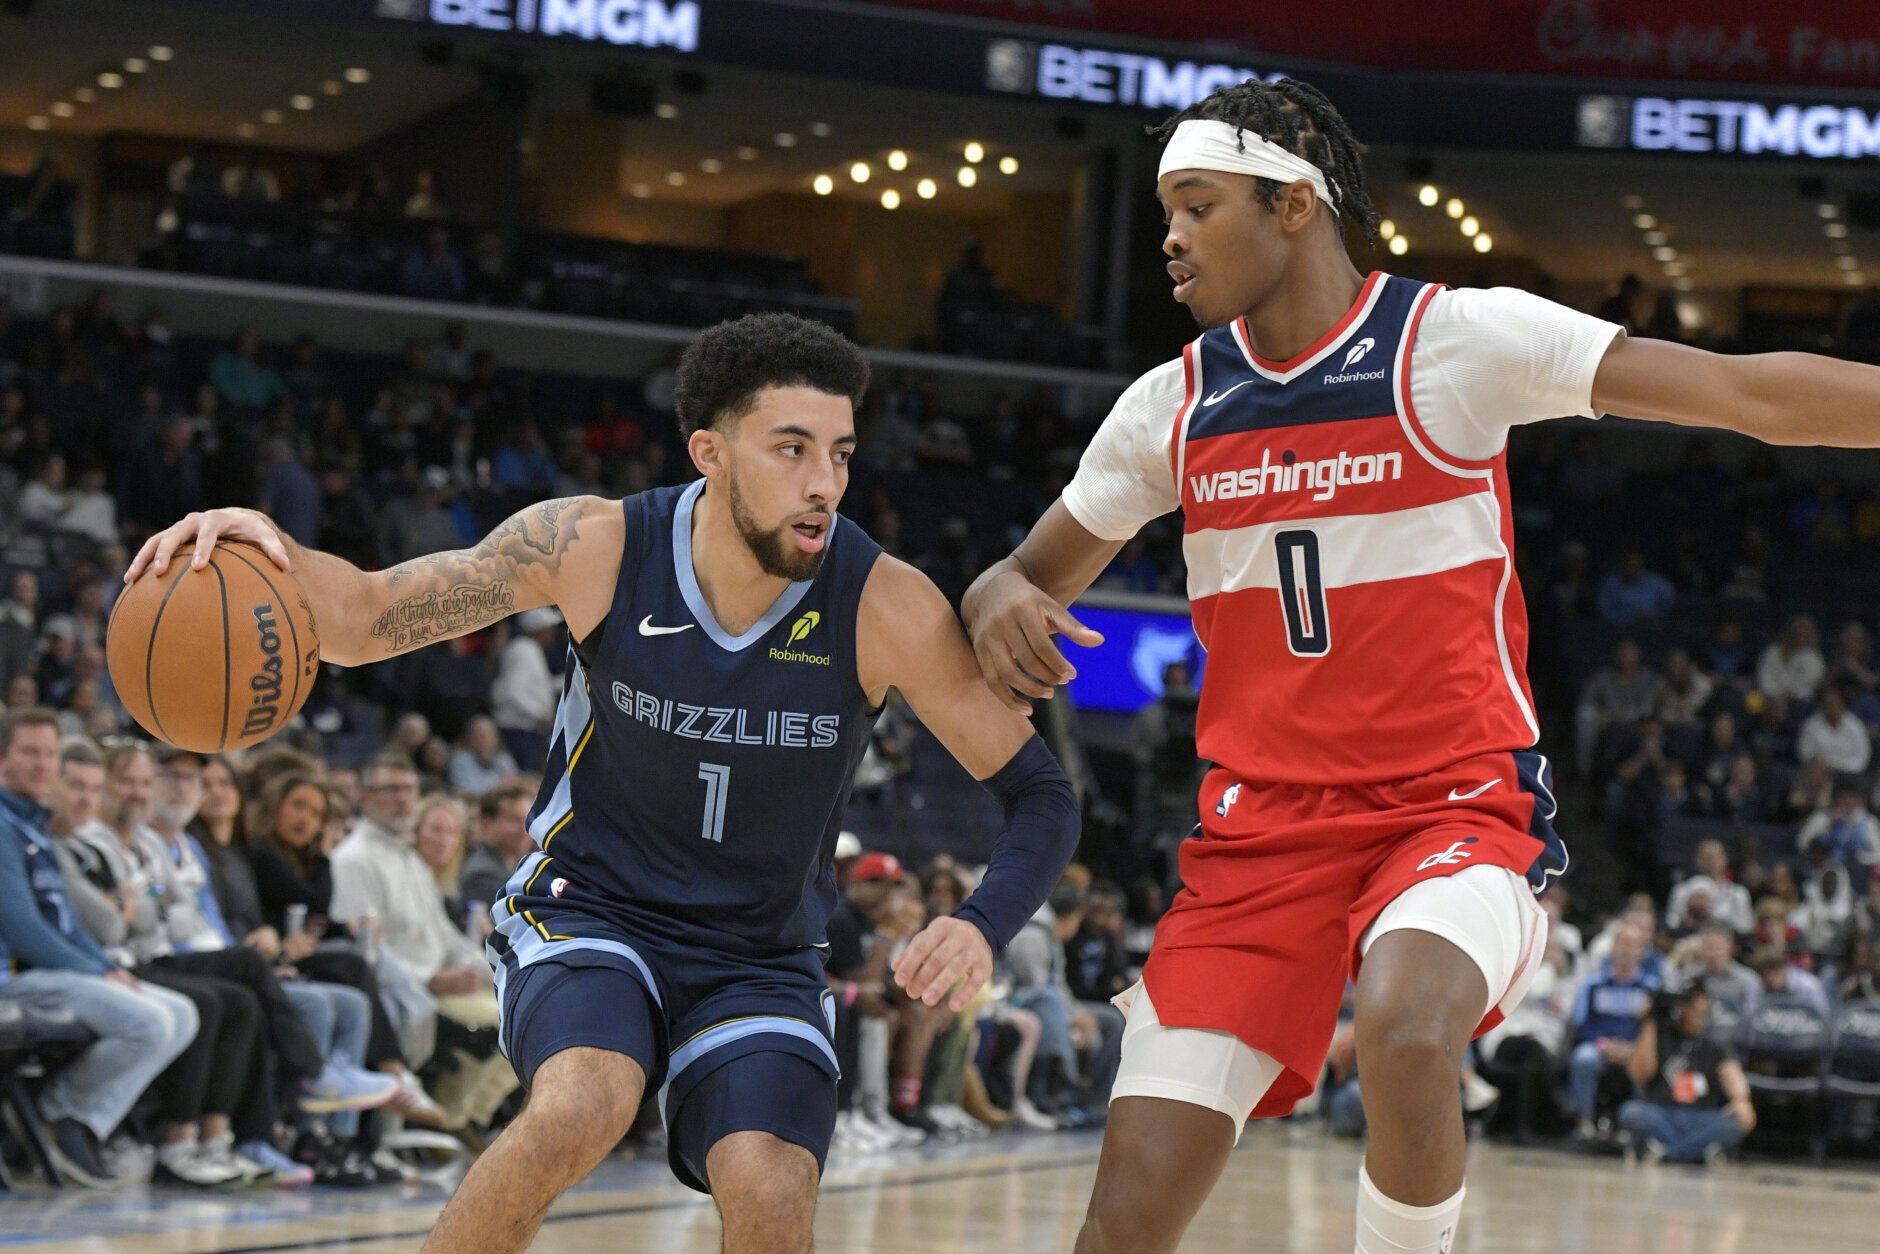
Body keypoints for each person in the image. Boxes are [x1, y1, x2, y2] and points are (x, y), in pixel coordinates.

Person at [962, 73, 1880, 1254]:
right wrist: (994, 593)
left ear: (1293, 204)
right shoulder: (1170, 406)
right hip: (1257, 840)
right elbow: (1023, 575)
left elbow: (1741, 391)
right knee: (1122, 1223)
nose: (1171, 240)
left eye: (1196, 206)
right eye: (1164, 214)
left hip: (1448, 809)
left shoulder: (1451, 341)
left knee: (1402, 1026)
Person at [128, 311, 1080, 1254]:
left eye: (840, 454)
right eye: (791, 449)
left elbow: (1042, 794)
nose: (824, 483)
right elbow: (368, 617)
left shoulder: (883, 602)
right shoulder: (595, 546)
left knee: (772, 1185)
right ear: (710, 453)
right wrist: (270, 548)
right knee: (582, 1101)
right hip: (591, 909)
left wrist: (980, 921)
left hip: (759, 954)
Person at [0, 710, 198, 1187]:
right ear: (3, 756)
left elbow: (68, 925)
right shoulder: (5, 825)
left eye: (49, 754)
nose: (42, 764)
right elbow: (23, 929)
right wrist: (98, 972)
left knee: (184, 1014)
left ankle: (80, 1118)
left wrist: (105, 966)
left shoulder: (33, 826)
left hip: (52, 972)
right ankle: (61, 1110)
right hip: (16, 975)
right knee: (149, 1022)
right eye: (29, 752)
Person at [1618, 985, 1756, 1165]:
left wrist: (1741, 1099)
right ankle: (1696, 1152)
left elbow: (1732, 1073)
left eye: (1699, 1000)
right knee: (1631, 1112)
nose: (1694, 1006)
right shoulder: (1660, 1034)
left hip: (1700, 1115)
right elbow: (1638, 1074)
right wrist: (1649, 1021)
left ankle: (1668, 1153)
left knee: (1739, 1120)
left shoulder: (1715, 1040)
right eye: (1688, 1001)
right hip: (1662, 1112)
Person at [458, 781, 534, 918]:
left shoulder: (522, 865)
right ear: (486, 821)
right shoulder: (481, 875)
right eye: (514, 820)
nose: (524, 830)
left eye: (527, 820)